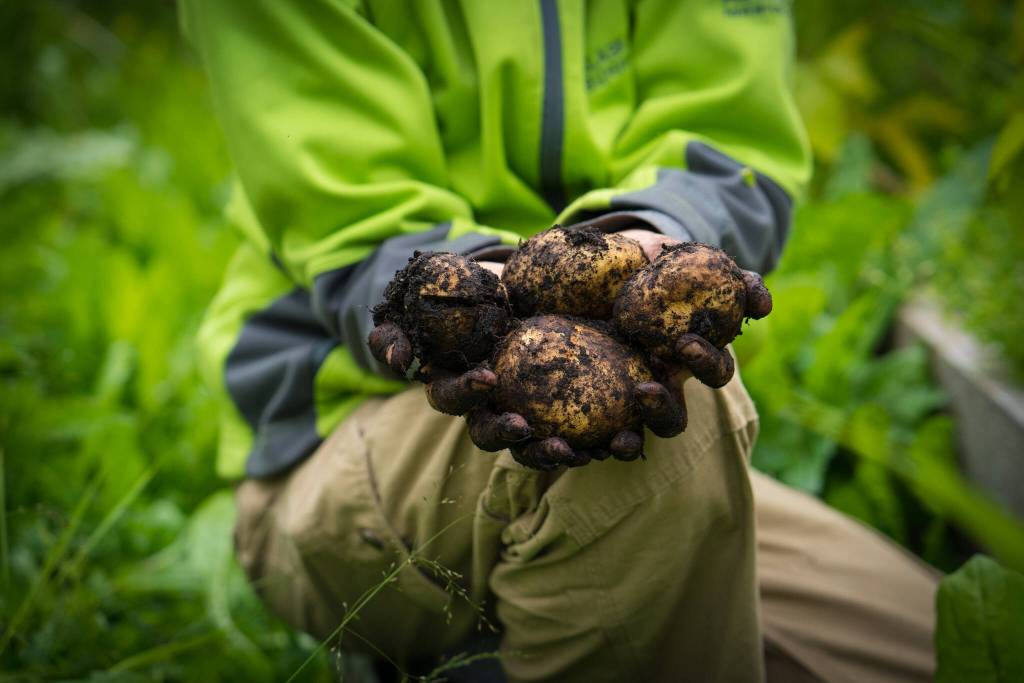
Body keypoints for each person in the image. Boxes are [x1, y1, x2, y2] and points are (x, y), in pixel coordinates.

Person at [181, 1, 939, 680]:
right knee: (638, 423)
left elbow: (734, 141)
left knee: (946, 647)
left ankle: (515, 639)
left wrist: (654, 242)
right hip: (336, 441)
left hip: (663, 490)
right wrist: (485, 306)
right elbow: (358, 227)